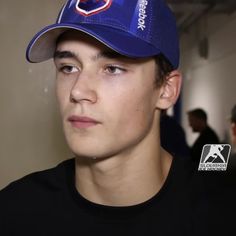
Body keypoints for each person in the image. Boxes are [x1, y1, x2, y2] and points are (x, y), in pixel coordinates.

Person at [0, 1, 235, 235]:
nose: (78, 91)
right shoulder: (15, 213)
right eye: (68, 68)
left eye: (112, 68)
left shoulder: (220, 212)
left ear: (166, 90)